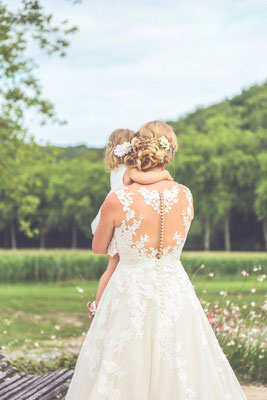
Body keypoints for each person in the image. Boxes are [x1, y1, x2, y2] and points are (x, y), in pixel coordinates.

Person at [66, 121, 247, 399]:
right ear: (168, 153)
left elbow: (99, 248)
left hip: (130, 288)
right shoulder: (185, 195)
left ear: (138, 150)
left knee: (124, 360)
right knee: (181, 358)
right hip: (175, 286)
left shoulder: (119, 199)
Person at [88, 128, 173, 317]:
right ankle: (99, 304)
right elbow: (143, 178)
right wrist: (164, 176)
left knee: (113, 265)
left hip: (115, 218)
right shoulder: (130, 171)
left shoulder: (116, 169)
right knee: (114, 265)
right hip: (120, 219)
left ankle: (99, 304)